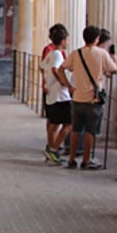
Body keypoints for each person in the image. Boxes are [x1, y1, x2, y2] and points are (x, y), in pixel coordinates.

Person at [61, 25, 117, 170]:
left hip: (77, 97)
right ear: (97, 39)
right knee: (90, 131)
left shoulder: (76, 53)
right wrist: (112, 60)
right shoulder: (102, 53)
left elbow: (62, 68)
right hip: (93, 99)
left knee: (76, 130)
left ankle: (72, 159)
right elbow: (114, 69)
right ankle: (86, 160)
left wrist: (68, 86)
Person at [41, 23, 72, 164]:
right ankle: (54, 149)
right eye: (66, 39)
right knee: (68, 124)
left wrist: (47, 82)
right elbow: (55, 69)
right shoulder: (58, 54)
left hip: (51, 94)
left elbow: (42, 67)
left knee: (53, 124)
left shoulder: (50, 53)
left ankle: (51, 150)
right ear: (63, 40)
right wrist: (65, 83)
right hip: (60, 95)